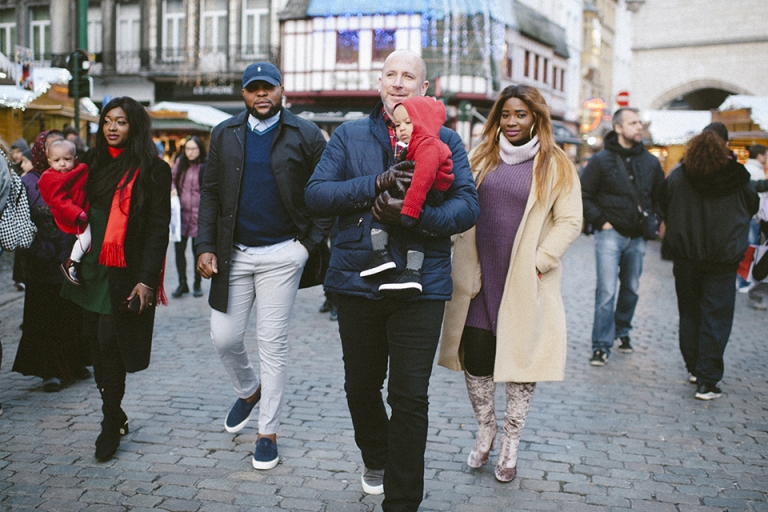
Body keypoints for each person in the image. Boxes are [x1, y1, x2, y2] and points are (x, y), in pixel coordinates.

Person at [304, 49, 479, 511]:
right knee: (360, 387)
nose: (399, 82)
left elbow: (467, 206)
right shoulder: (347, 135)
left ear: (425, 89)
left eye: (409, 77)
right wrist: (376, 184)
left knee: (409, 396)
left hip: (421, 288)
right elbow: (317, 195)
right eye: (391, 74)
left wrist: (415, 216)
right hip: (357, 280)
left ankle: (402, 502)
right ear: (379, 83)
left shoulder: (446, 140)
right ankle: (376, 454)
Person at [438, 84, 582, 482]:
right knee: (478, 357)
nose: (512, 122)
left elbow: (571, 220)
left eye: (521, 114)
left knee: (520, 360)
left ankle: (511, 442)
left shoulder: (556, 163)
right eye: (506, 114)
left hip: (524, 278)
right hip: (479, 275)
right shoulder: (481, 156)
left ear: (536, 117)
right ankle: (486, 426)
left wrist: (540, 262)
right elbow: (459, 203)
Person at [195, 62, 331, 471]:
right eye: (253, 89)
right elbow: (211, 192)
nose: (261, 95)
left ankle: (267, 432)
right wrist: (204, 245)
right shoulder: (225, 133)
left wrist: (308, 245)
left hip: (282, 255)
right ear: (243, 94)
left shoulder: (305, 133)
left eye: (267, 88)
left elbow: (326, 191)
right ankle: (248, 389)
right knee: (224, 337)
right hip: (233, 253)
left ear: (281, 89)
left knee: (272, 344)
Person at [60, 97, 172, 461]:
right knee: (92, 341)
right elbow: (67, 199)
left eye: (120, 122)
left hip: (125, 269)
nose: (111, 127)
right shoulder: (90, 163)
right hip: (91, 264)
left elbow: (158, 229)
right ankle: (117, 411)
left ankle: (109, 424)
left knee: (111, 344)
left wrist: (147, 280)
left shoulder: (153, 169)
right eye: (107, 121)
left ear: (134, 126)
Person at [661, 123, 758, 400]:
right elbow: (751, 204)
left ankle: (694, 367)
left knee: (689, 313)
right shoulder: (737, 176)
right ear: (725, 145)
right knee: (716, 317)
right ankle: (707, 380)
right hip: (722, 258)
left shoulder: (680, 175)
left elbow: (663, 201)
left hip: (686, 256)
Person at [580, 108, 665, 366]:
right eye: (633, 123)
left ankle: (623, 330)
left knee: (631, 288)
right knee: (606, 290)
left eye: (640, 122)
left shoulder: (650, 162)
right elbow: (584, 194)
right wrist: (601, 222)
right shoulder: (601, 160)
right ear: (618, 128)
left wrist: (655, 220)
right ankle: (601, 345)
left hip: (637, 236)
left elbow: (661, 197)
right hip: (610, 235)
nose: (639, 127)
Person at [12, 130, 90, 393]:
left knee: (71, 315)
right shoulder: (29, 182)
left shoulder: (77, 176)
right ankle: (50, 370)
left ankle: (73, 363)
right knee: (45, 317)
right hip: (41, 261)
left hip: (71, 257)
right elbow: (21, 221)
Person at [361, 95, 454, 296]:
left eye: (408, 123)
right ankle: (408, 270)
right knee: (412, 233)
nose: (401, 128)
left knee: (389, 218)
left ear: (424, 121)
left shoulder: (428, 145)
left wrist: (411, 208)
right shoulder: (419, 145)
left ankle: (387, 257)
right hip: (426, 193)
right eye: (397, 125)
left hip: (426, 193)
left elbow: (423, 178)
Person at [37, 139, 91, 285]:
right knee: (85, 238)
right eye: (57, 160)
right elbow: (60, 201)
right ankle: (72, 262)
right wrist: (77, 213)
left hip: (81, 209)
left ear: (75, 159)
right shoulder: (52, 179)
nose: (62, 164)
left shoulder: (78, 171)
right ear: (49, 162)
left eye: (67, 159)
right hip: (71, 215)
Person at [171, 135, 206, 298]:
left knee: (197, 252)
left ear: (200, 149)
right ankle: (182, 283)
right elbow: (171, 179)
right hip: (181, 215)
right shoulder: (180, 164)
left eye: (194, 149)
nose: (190, 152)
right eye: (188, 149)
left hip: (199, 216)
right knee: (179, 251)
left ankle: (197, 284)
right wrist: (172, 190)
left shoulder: (205, 166)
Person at [738, 144, 767, 292]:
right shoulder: (758, 173)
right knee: (751, 249)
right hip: (753, 217)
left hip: (742, 215)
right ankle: (745, 281)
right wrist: (759, 215)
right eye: (766, 155)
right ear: (760, 156)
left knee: (743, 247)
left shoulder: (744, 169)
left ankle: (741, 280)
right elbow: (759, 197)